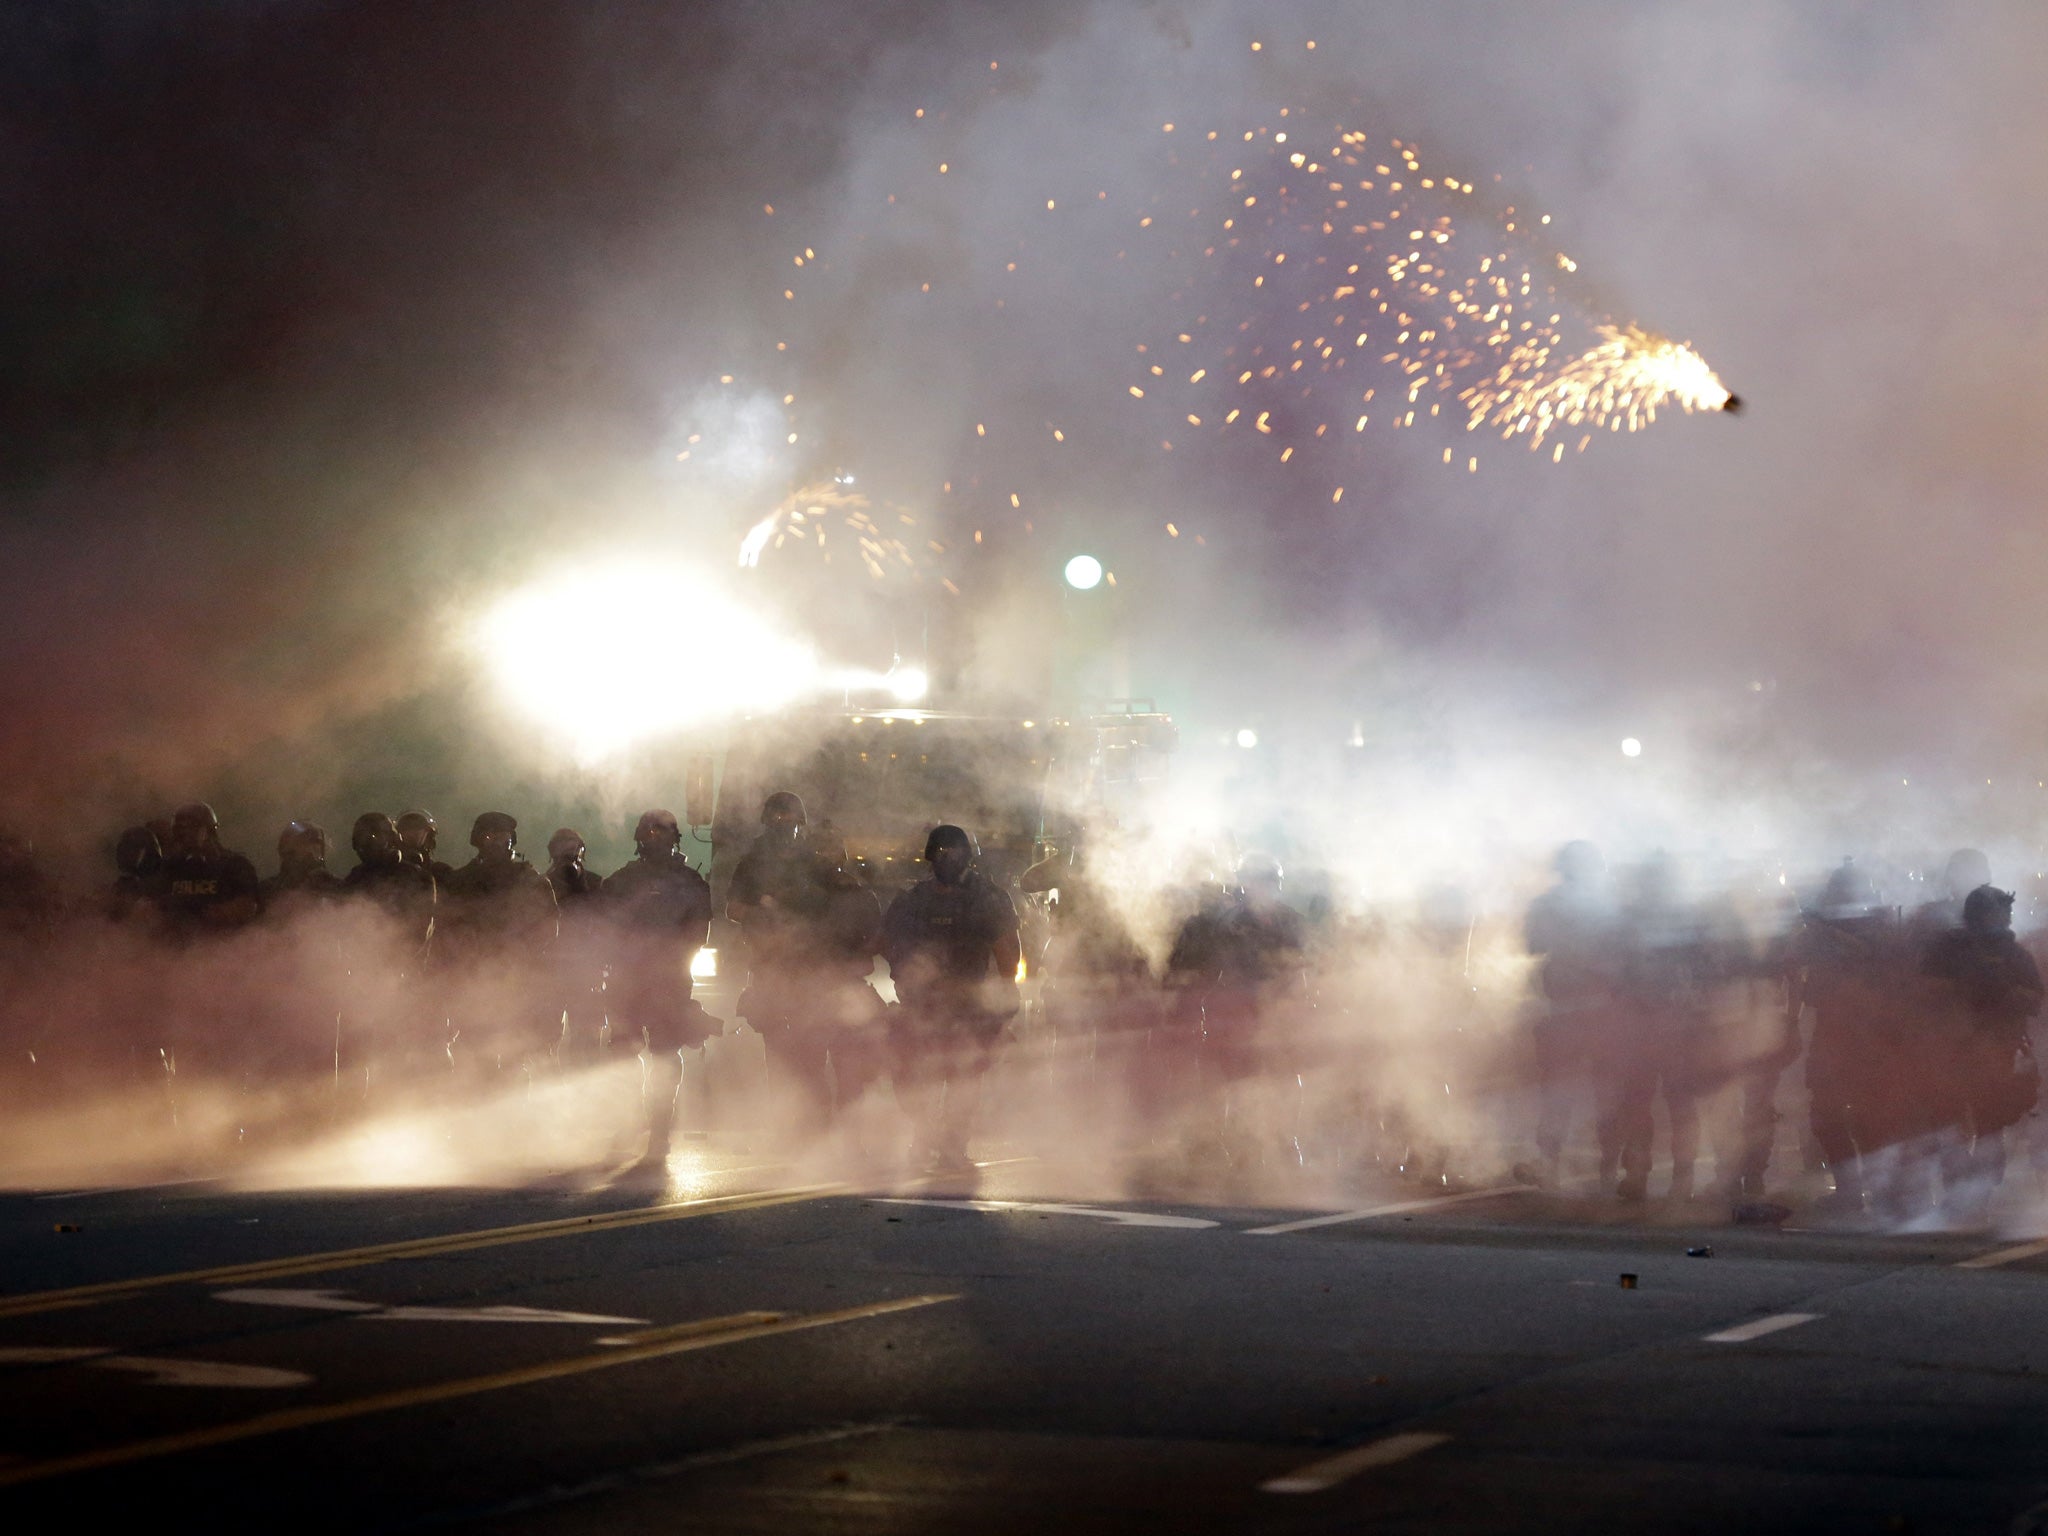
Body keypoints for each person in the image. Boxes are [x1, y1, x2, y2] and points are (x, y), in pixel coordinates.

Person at [729, 792, 883, 1137]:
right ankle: (792, 1127)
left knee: (825, 1054)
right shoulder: (752, 864)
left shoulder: (814, 864)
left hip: (817, 972)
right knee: (783, 1054)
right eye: (778, 820)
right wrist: (765, 910)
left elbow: (850, 916)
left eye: (791, 820)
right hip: (774, 969)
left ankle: (827, 1128)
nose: (785, 827)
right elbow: (734, 909)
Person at [881, 824, 1020, 1174]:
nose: (948, 859)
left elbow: (1008, 952)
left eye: (955, 853)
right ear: (930, 856)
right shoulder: (912, 900)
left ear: (968, 856)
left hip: (969, 1003)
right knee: (914, 1075)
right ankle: (925, 1135)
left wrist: (1005, 993)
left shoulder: (987, 897)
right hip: (922, 1003)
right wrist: (902, 977)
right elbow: (888, 944)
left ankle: (954, 1143)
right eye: (942, 853)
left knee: (964, 1077)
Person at [1163, 852, 1309, 1169]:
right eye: (1257, 880)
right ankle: (1226, 1141)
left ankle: (1283, 1140)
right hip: (1235, 1011)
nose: (1262, 888)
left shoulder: (1288, 921)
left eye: (1269, 881)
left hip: (1273, 1011)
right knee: (1228, 1079)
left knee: (1282, 1077)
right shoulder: (1228, 923)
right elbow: (1207, 967)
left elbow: (1301, 969)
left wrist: (1289, 1001)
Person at [1922, 884, 2043, 1212]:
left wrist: (2007, 991)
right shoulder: (1949, 950)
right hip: (1954, 1050)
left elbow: (2034, 999)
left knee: (1990, 1126)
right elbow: (1927, 992)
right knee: (1949, 1125)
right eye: (1999, 913)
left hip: (1998, 1051)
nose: (2005, 920)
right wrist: (1967, 983)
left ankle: (1980, 1194)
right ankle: (1958, 1193)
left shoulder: (2014, 954)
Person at [604, 809, 715, 1162]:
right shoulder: (622, 881)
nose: (655, 839)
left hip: (669, 978)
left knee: (665, 1054)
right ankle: (627, 1121)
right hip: (629, 978)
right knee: (623, 1053)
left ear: (674, 839)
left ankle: (660, 1131)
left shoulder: (690, 883)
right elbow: (605, 928)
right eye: (650, 833)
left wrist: (670, 958)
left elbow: (698, 933)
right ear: (640, 837)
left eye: (662, 833)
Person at [1519, 841, 1626, 1191]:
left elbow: (1533, 946)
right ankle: (1607, 1170)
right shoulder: (1610, 904)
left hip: (1573, 1011)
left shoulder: (1549, 904)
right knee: (1601, 1094)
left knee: (1560, 1095)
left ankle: (1554, 1166)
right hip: (1593, 1011)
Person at [440, 812, 560, 1074]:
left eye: (503, 836)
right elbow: (446, 930)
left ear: (512, 840)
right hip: (472, 980)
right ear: (477, 841)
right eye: (488, 836)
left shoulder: (531, 880)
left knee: (515, 1060)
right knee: (473, 1058)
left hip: (518, 980)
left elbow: (549, 927)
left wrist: (521, 953)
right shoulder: (460, 882)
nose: (495, 842)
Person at [544, 828, 609, 1062]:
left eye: (573, 847)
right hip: (550, 969)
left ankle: (583, 1091)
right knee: (544, 1039)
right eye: (564, 847)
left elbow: (606, 926)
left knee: (587, 1040)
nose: (569, 853)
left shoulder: (594, 883)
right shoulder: (541, 884)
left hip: (586, 969)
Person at [154, 803, 261, 938]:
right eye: (178, 833)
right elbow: (155, 909)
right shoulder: (173, 867)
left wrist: (203, 912)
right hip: (179, 949)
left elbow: (247, 907)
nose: (180, 839)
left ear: (206, 831)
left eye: (187, 830)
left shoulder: (234, 865)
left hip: (223, 947)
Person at [259, 821, 343, 916]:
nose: (311, 851)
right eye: (304, 844)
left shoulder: (333, 886)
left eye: (315, 844)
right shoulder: (269, 890)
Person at [396, 810, 456, 886]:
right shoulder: (388, 868)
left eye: (418, 826)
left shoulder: (440, 871)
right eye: (407, 827)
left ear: (428, 833)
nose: (412, 832)